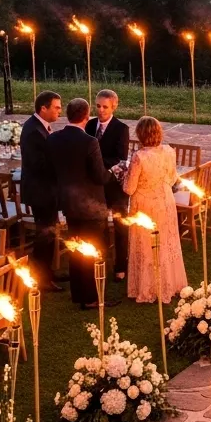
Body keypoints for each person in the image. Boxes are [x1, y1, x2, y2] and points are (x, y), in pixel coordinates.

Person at [47, 97, 113, 309]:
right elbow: (100, 176)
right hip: (91, 206)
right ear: (86, 117)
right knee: (94, 250)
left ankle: (79, 295)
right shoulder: (89, 142)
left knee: (76, 248)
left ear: (68, 115)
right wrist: (113, 172)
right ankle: (92, 297)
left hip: (69, 204)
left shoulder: (54, 139)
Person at [121, 116, 188, 303]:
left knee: (145, 244)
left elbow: (129, 188)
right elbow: (173, 178)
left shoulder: (139, 157)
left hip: (144, 205)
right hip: (166, 201)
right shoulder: (169, 151)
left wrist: (124, 174)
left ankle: (147, 287)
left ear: (140, 135)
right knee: (167, 241)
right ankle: (170, 283)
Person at [19, 90, 63, 291]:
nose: (59, 111)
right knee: (44, 234)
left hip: (45, 190)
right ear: (43, 108)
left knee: (50, 232)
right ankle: (41, 278)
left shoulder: (41, 127)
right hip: (40, 192)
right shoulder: (33, 131)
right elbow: (38, 164)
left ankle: (48, 273)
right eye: (56, 107)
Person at [85, 89, 130, 280]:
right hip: (96, 186)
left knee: (120, 227)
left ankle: (121, 266)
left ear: (114, 107)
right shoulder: (90, 125)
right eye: (98, 106)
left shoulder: (121, 128)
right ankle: (100, 262)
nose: (101, 110)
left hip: (115, 186)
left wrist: (97, 162)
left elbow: (120, 157)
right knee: (100, 226)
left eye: (105, 107)